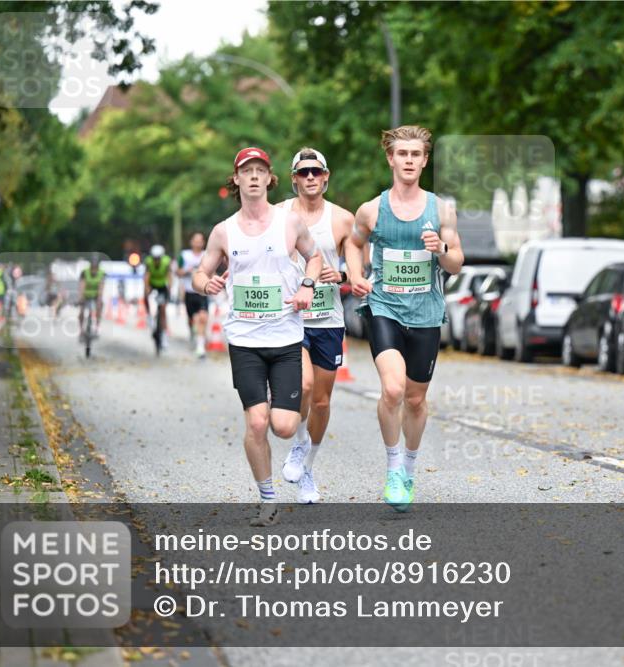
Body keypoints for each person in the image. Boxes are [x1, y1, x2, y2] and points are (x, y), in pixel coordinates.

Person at [192, 147, 321, 527]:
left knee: (282, 425)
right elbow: (199, 274)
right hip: (244, 341)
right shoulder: (223, 231)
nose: (252, 176)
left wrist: (308, 287)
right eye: (245, 170)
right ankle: (267, 500)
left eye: (259, 170)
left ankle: (298, 441)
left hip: (284, 339)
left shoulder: (290, 222)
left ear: (269, 179)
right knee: (257, 423)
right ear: (236, 179)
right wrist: (207, 283)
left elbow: (314, 258)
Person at [346, 125, 464, 511]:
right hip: (384, 307)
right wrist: (356, 275)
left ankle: (409, 469)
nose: (409, 160)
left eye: (416, 154)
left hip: (426, 312)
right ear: (391, 159)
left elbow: (457, 263)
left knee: (415, 399)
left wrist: (441, 248)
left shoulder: (441, 209)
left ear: (425, 160)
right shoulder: (372, 209)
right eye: (402, 154)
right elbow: (353, 241)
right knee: (393, 390)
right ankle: (393, 468)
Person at [277, 148, 355, 504]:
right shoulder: (277, 215)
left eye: (316, 172)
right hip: (290, 319)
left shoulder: (342, 220)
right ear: (294, 178)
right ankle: (297, 444)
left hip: (328, 320)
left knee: (322, 403)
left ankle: (307, 466)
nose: (310, 177)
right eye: (303, 172)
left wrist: (339, 274)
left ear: (326, 177)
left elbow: (358, 272)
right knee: (304, 385)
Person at [177, 231, 210, 358]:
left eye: (200, 240)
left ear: (203, 243)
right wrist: (187, 271)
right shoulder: (184, 255)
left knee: (202, 318)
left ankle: (200, 347)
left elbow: (211, 271)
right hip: (189, 292)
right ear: (191, 242)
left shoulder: (206, 255)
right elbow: (178, 272)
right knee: (193, 319)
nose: (198, 243)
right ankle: (193, 332)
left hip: (202, 292)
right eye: (195, 240)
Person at [144, 244, 172, 351]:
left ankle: (164, 336)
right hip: (152, 284)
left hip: (162, 285)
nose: (156, 260)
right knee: (145, 297)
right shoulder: (148, 261)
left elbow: (169, 276)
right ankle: (149, 316)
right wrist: (147, 289)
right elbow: (146, 276)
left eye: (158, 258)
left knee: (163, 310)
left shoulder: (166, 262)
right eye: (154, 258)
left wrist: (169, 288)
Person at [78, 255, 105, 341]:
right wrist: (81, 297)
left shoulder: (101, 273)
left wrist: (99, 299)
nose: (94, 270)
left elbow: (101, 287)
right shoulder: (85, 272)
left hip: (96, 295)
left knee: (99, 309)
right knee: (81, 311)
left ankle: (97, 328)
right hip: (86, 294)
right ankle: (81, 330)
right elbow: (82, 286)